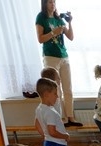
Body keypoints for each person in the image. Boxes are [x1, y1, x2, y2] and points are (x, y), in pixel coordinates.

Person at [34, 0, 80, 128]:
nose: (52, 4)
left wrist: (69, 22)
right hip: (50, 56)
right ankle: (58, 118)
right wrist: (54, 32)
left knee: (68, 88)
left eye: (54, 2)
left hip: (63, 56)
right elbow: (40, 39)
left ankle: (70, 117)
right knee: (55, 89)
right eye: (50, 2)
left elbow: (71, 37)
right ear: (45, 3)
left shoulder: (58, 18)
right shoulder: (41, 17)